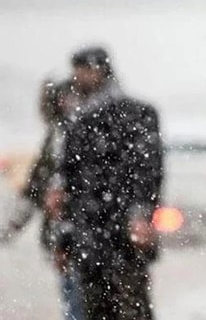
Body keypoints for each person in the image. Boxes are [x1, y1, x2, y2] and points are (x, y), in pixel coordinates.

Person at [56, 46, 163, 320]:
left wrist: (139, 214)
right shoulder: (77, 119)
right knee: (106, 309)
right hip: (93, 239)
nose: (77, 77)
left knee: (125, 309)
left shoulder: (133, 114)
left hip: (118, 237)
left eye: (82, 71)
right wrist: (65, 239)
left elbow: (146, 171)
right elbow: (70, 183)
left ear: (99, 71)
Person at [0, 79, 84, 320]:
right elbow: (37, 185)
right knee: (76, 300)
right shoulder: (60, 133)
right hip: (70, 239)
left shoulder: (71, 133)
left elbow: (38, 184)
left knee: (78, 304)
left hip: (78, 237)